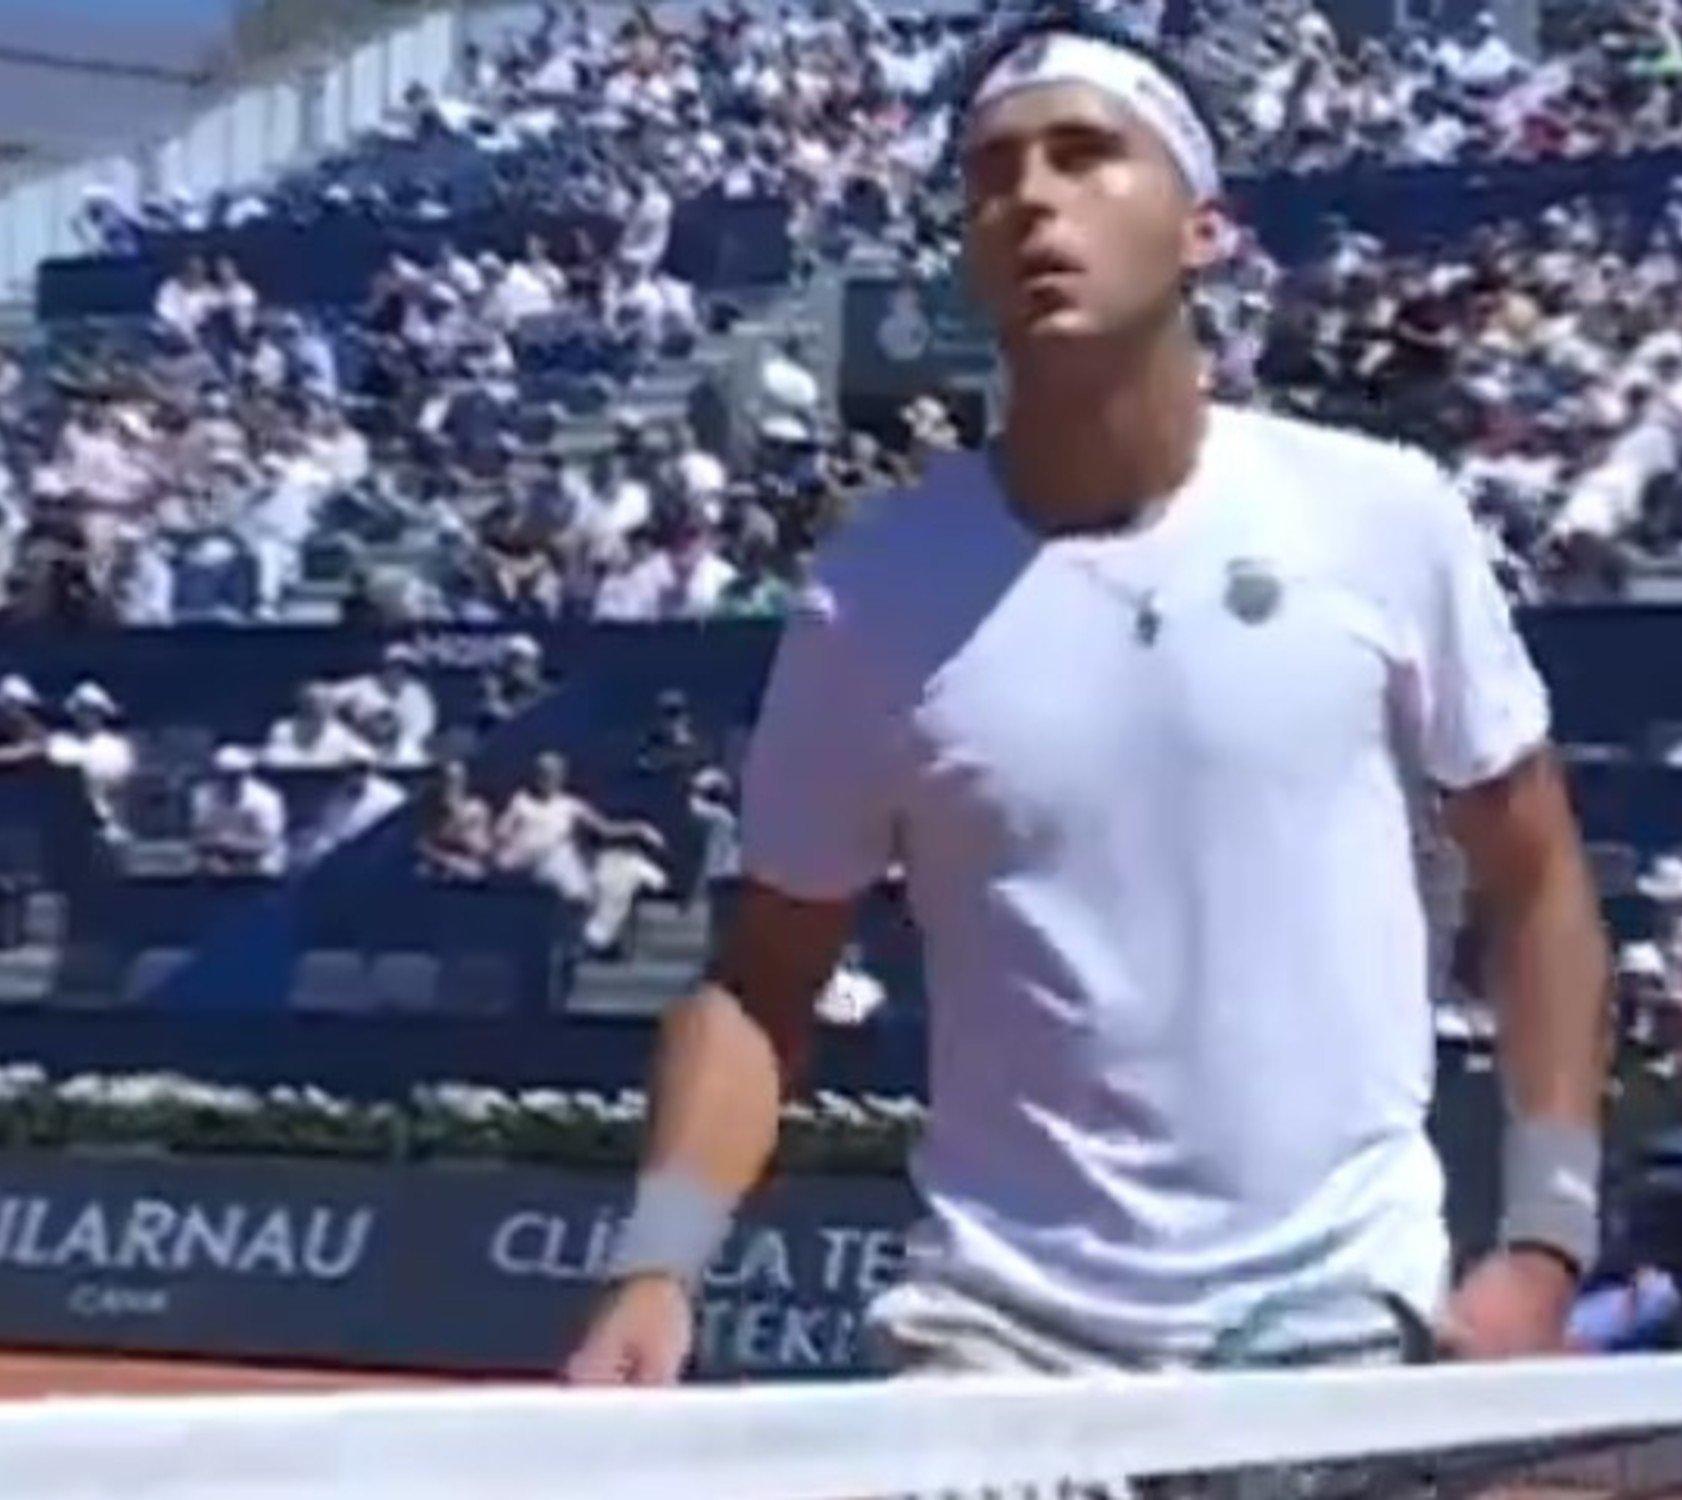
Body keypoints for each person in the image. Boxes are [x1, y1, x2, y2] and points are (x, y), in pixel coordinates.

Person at [568, 9, 1608, 1392]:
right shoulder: (868, 596)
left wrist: (1545, 1236)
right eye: (994, 173)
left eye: (1085, 154)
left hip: (1332, 1320)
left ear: (1205, 231)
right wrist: (657, 1266)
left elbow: (1537, 882)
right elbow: (763, 983)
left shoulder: (1383, 517)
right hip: (992, 1339)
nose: (1032, 199)